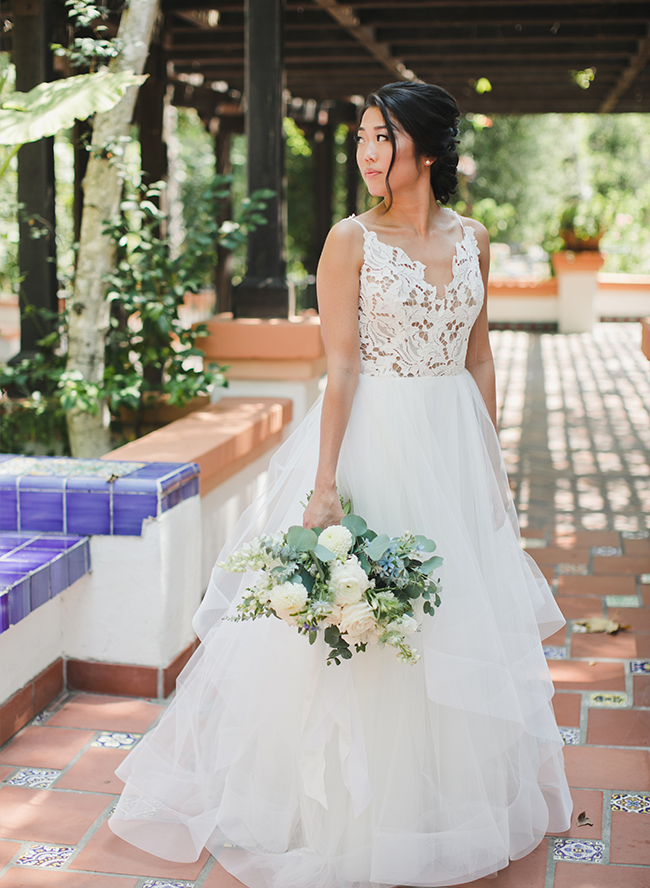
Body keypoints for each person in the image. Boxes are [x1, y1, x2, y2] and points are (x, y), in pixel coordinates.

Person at [109, 81, 573, 887]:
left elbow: (480, 355)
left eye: (380, 137)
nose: (364, 153)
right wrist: (325, 486)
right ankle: (352, 815)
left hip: (453, 442)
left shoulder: (478, 240)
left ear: (426, 150)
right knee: (370, 618)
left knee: (452, 616)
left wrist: (487, 462)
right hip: (376, 442)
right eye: (360, 137)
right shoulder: (349, 239)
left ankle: (438, 803)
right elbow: (342, 365)